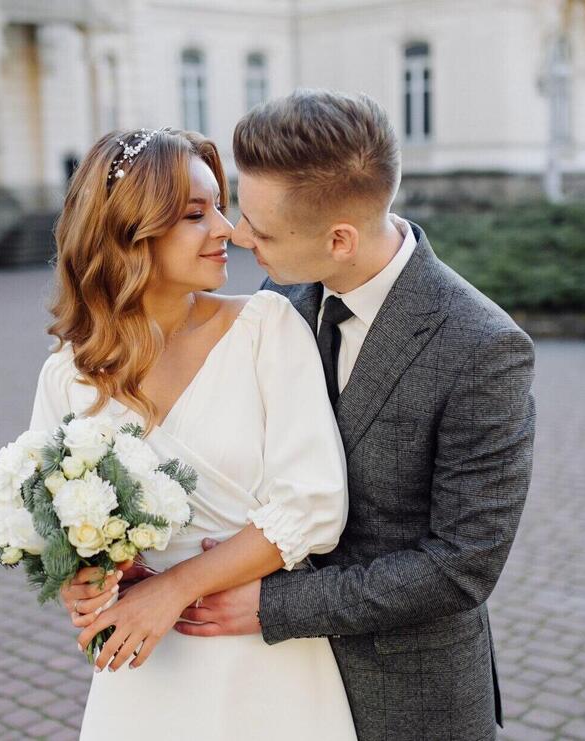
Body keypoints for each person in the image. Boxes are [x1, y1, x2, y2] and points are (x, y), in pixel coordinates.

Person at [67, 91, 537, 741]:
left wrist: (272, 604)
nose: (237, 234)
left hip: (403, 695)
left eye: (259, 227)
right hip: (255, 689)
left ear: (338, 239)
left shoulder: (483, 348)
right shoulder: (278, 297)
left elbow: (462, 563)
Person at [33, 127, 357, 740]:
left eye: (219, 206)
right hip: (143, 664)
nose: (228, 230)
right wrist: (80, 578)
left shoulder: (267, 327)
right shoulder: (66, 376)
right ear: (130, 230)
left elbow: (315, 505)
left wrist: (175, 589)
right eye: (194, 214)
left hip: (263, 656)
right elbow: (50, 520)